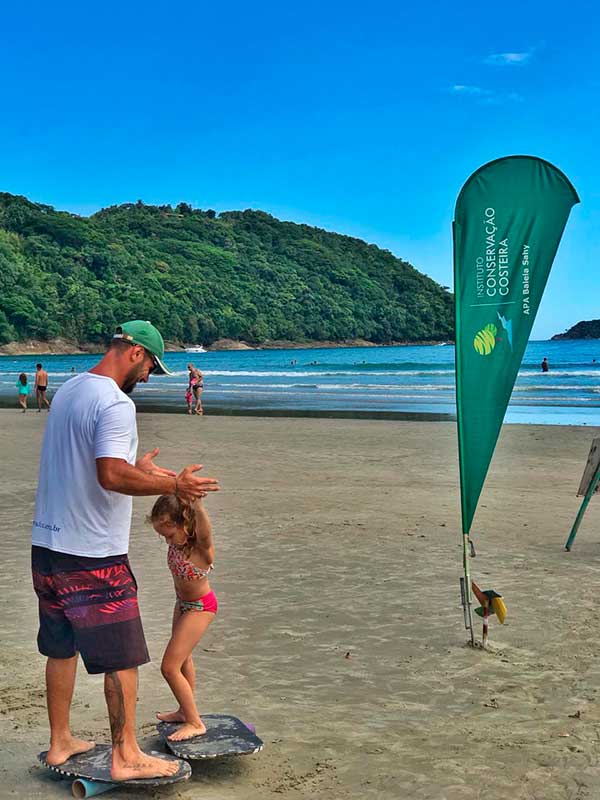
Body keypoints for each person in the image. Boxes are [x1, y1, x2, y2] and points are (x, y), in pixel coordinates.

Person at [31, 320, 220, 782]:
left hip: (47, 544)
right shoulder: (115, 402)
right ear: (135, 352)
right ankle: (127, 755)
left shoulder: (72, 389)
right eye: (152, 366)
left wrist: (144, 471)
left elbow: (93, 462)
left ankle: (60, 743)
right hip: (92, 551)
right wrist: (173, 483)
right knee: (122, 654)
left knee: (61, 646)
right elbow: (110, 476)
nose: (150, 377)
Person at [149, 495, 216, 741]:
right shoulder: (175, 544)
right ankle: (183, 710)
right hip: (183, 605)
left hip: (200, 607)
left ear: (185, 524)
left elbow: (206, 533)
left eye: (168, 534)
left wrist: (198, 506)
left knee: (169, 667)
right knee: (183, 659)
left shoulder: (201, 549)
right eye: (162, 536)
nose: (167, 540)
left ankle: (195, 722)